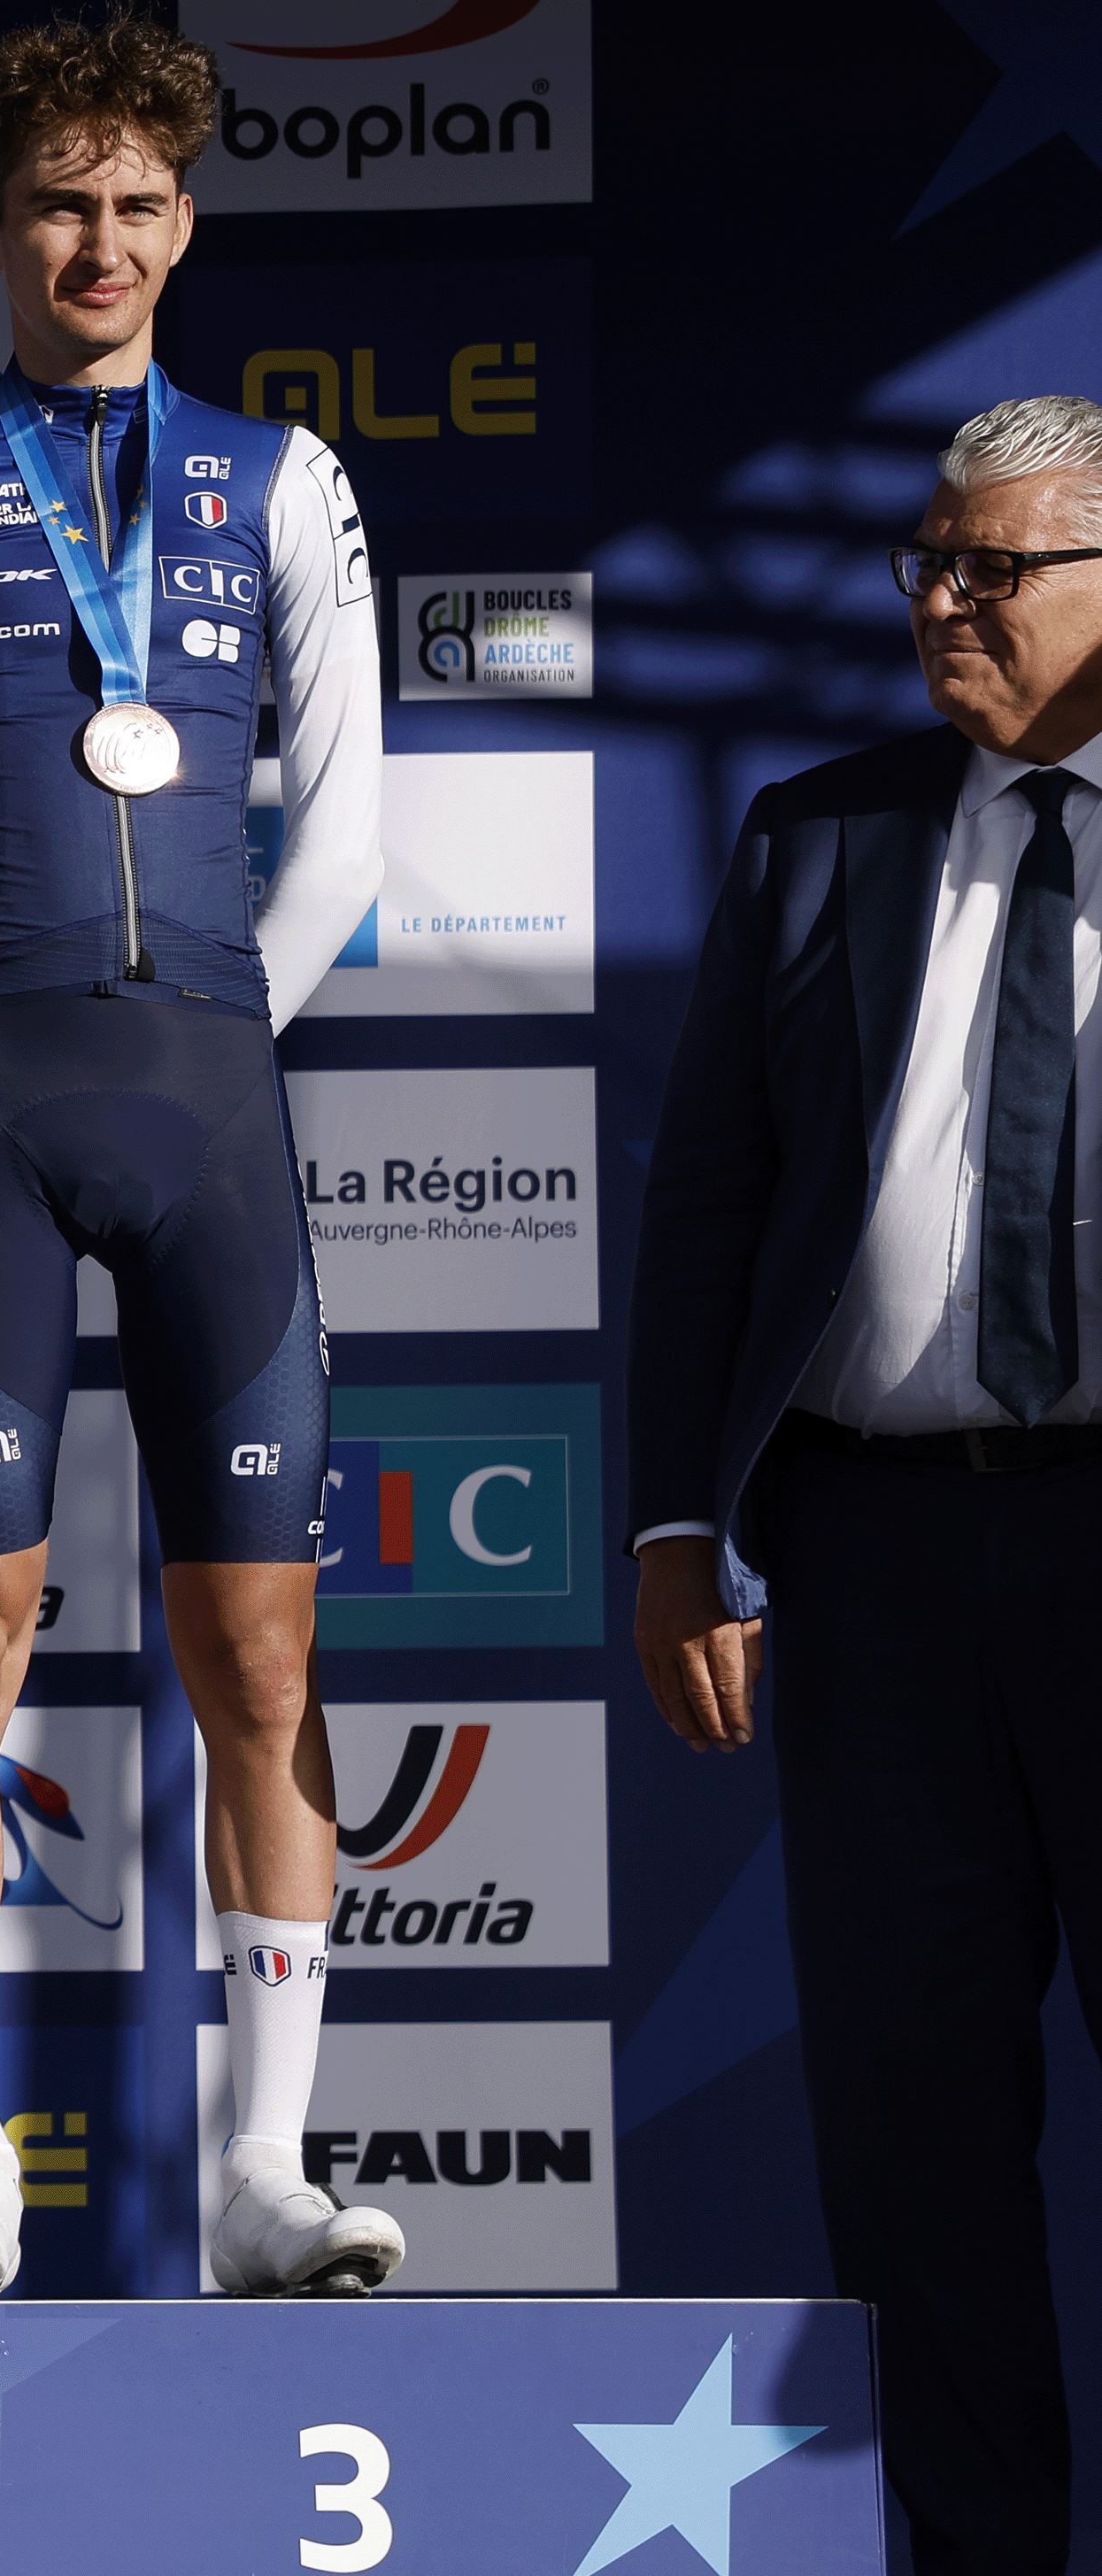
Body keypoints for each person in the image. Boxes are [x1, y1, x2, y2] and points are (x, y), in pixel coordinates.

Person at [0, 6, 388, 2296]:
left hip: (211, 1099)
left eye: (135, 204)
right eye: (56, 204)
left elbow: (344, 834)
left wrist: (206, 1031)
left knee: (263, 1652)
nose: (97, 242)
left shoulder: (284, 479)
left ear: (184, 226)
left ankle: (264, 2166)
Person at [633, 395, 1102, 2575]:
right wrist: (676, 1522)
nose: (940, 602)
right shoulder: (815, 833)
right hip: (876, 1562)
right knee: (913, 2140)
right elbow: (707, 1205)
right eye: (928, 559)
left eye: (995, 569)